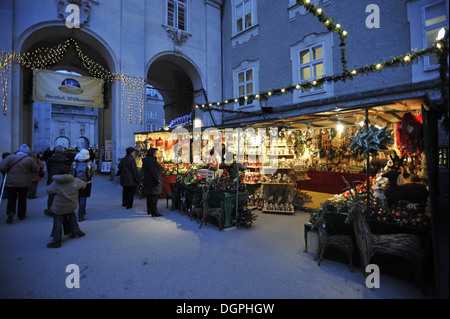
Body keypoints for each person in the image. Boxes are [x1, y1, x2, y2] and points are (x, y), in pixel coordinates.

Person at [46, 165, 86, 248]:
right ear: (70, 172)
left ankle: (56, 240)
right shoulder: (75, 181)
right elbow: (84, 185)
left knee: (58, 222)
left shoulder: (56, 182)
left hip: (59, 207)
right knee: (72, 216)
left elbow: (49, 191)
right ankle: (76, 231)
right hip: (71, 204)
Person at [0, 144, 40, 224]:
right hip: (24, 182)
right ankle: (21, 214)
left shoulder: (10, 157)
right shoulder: (29, 159)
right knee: (22, 199)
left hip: (11, 182)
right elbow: (36, 169)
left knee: (11, 198)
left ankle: (10, 211)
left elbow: (2, 167)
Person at [45, 145, 70, 216]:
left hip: (53, 178)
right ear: (63, 151)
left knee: (51, 195)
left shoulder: (50, 158)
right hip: (63, 178)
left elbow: (48, 168)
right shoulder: (66, 159)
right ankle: (63, 210)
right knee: (64, 195)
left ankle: (50, 209)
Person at [71, 149, 95, 222]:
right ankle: (81, 214)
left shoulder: (75, 162)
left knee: (79, 196)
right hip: (86, 182)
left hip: (76, 182)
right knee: (83, 197)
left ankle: (81, 210)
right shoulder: (89, 162)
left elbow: (72, 171)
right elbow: (92, 172)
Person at [142, 148, 163, 217]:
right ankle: (154, 212)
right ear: (152, 153)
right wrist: (157, 180)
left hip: (149, 181)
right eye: (155, 152)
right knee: (153, 198)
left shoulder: (148, 160)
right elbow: (153, 172)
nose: (156, 154)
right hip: (152, 182)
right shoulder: (151, 161)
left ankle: (150, 210)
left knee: (150, 197)